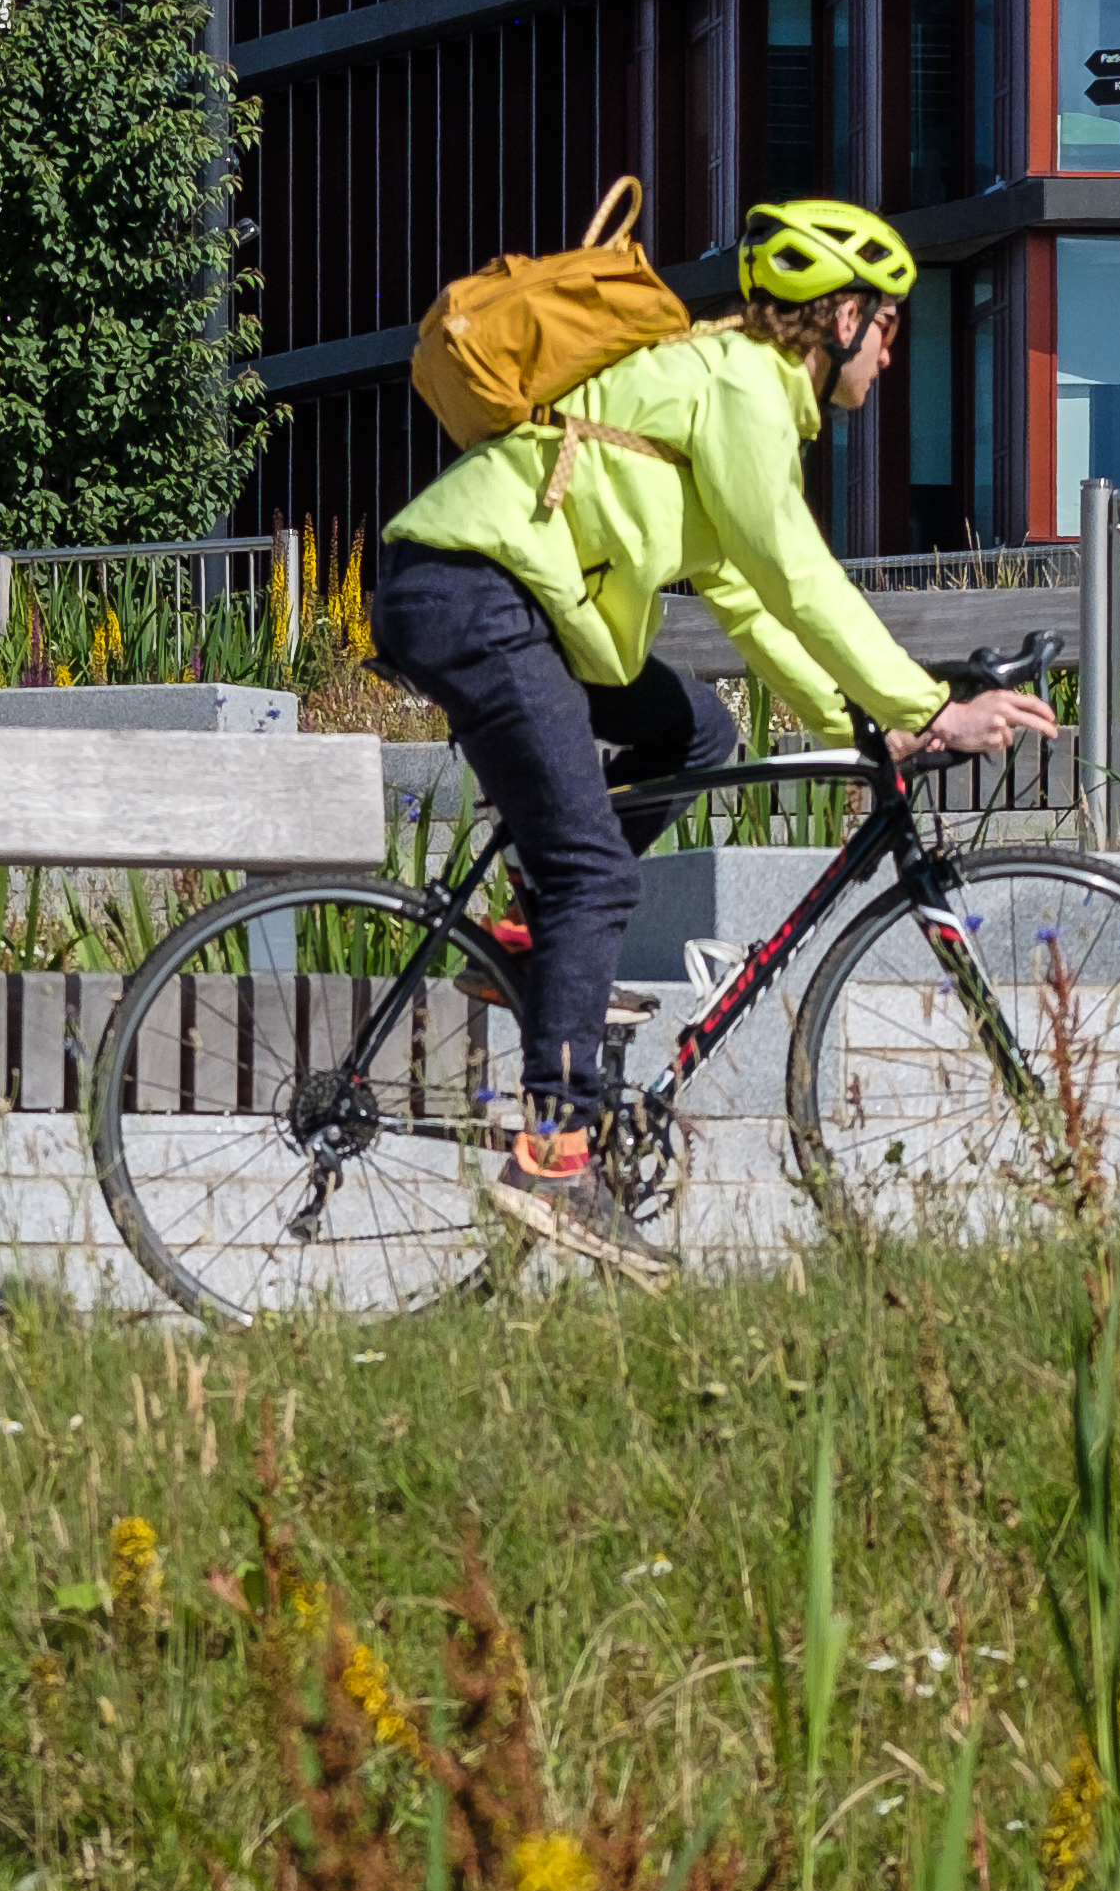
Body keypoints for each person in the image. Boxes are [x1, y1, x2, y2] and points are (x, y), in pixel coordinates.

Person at [371, 195, 1032, 1267]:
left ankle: (533, 948)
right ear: (844, 315)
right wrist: (924, 707)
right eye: (894, 327)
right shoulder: (739, 386)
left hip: (501, 600)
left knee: (697, 736)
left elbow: (739, 591)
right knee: (594, 868)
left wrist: (859, 728)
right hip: (469, 594)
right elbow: (795, 571)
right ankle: (552, 1152)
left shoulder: (735, 390)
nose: (895, 355)